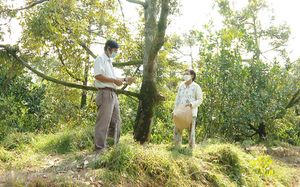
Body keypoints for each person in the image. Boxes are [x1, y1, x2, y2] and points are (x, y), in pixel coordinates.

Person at [94, 39, 134, 153]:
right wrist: (114, 81)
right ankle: (100, 148)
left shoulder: (109, 62)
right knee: (103, 121)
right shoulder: (100, 59)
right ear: (108, 48)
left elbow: (114, 79)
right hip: (104, 92)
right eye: (115, 51)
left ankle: (113, 146)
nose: (115, 53)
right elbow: (98, 76)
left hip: (113, 93)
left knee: (116, 120)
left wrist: (126, 79)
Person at [172, 69, 203, 149]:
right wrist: (174, 110)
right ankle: (177, 147)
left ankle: (191, 148)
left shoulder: (196, 87)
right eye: (184, 73)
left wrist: (192, 104)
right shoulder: (181, 86)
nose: (185, 75)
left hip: (190, 112)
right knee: (177, 129)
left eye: (187, 74)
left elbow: (200, 100)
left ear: (192, 76)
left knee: (190, 131)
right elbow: (177, 99)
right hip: (180, 112)